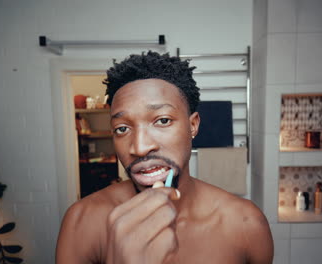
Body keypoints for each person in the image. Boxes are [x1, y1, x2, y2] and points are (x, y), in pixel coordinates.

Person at [55, 51, 274, 264]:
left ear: (193, 125)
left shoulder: (246, 224)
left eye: (162, 121)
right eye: (122, 128)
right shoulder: (82, 221)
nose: (140, 148)